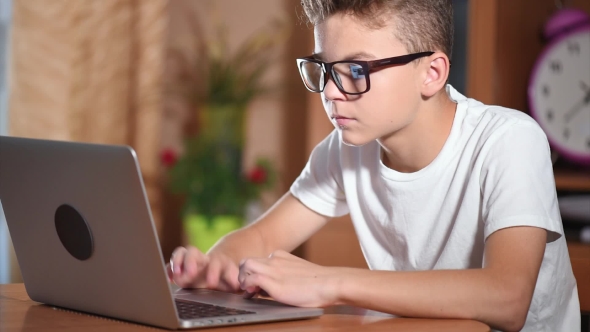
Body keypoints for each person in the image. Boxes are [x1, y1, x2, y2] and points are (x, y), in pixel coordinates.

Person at [167, 1, 580, 331]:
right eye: (326, 69)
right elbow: (258, 238)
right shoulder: (344, 150)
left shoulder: (509, 140)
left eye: (356, 70)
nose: (330, 91)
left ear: (432, 73)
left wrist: (330, 282)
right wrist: (215, 264)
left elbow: (507, 300)